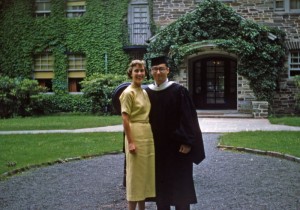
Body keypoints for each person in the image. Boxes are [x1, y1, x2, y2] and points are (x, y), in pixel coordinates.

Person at [145, 56, 205, 210]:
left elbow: (189, 118)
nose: (158, 72)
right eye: (155, 69)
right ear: (151, 72)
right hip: (157, 148)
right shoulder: (147, 93)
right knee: (161, 186)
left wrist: (187, 142)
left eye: (162, 69)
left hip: (178, 148)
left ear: (168, 71)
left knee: (180, 186)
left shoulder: (179, 91)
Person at [119, 60, 155, 210]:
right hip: (135, 133)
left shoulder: (144, 91)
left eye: (142, 70)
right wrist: (131, 142)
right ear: (130, 73)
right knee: (135, 177)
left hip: (147, 134)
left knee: (144, 175)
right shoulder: (128, 93)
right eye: (136, 71)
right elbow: (125, 119)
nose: (139, 73)